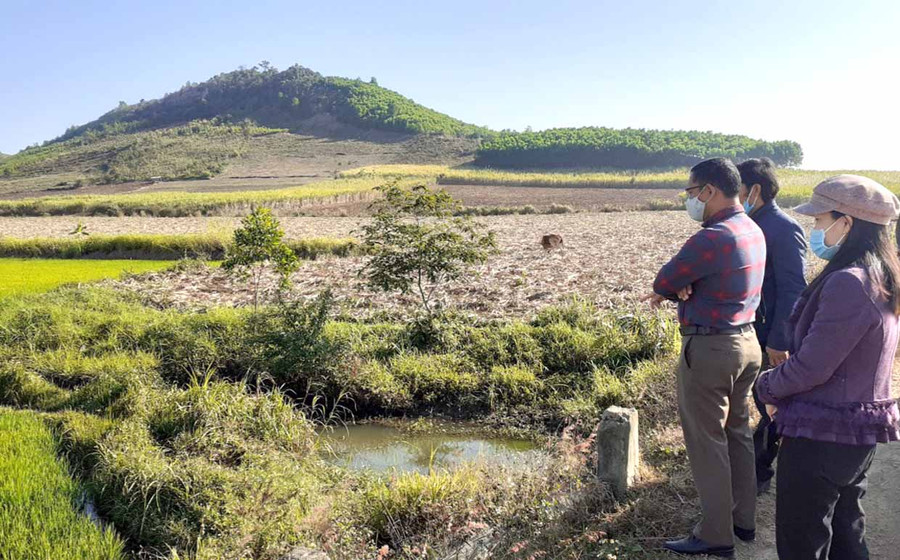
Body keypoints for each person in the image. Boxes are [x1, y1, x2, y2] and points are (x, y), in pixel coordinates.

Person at [755, 174, 900, 560]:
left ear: (846, 223)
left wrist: (765, 386)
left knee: (803, 538)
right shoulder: (881, 276)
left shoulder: (849, 283)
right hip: (854, 433)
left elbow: (811, 367)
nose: (815, 229)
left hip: (822, 433)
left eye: (820, 220)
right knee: (846, 531)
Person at [644, 158, 766, 558]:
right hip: (747, 342)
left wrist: (680, 286)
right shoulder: (752, 229)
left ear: (709, 190)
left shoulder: (712, 237)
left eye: (691, 192)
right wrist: (687, 285)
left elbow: (664, 280)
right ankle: (743, 520)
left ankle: (715, 534)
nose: (690, 200)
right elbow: (689, 281)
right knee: (738, 433)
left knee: (707, 441)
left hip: (711, 348)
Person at [736, 157, 808, 494]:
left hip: (769, 336)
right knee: (760, 402)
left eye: (736, 188)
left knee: (771, 406)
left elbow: (794, 288)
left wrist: (780, 339)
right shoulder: (748, 224)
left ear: (755, 190)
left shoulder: (782, 228)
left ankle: (759, 473)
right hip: (750, 332)